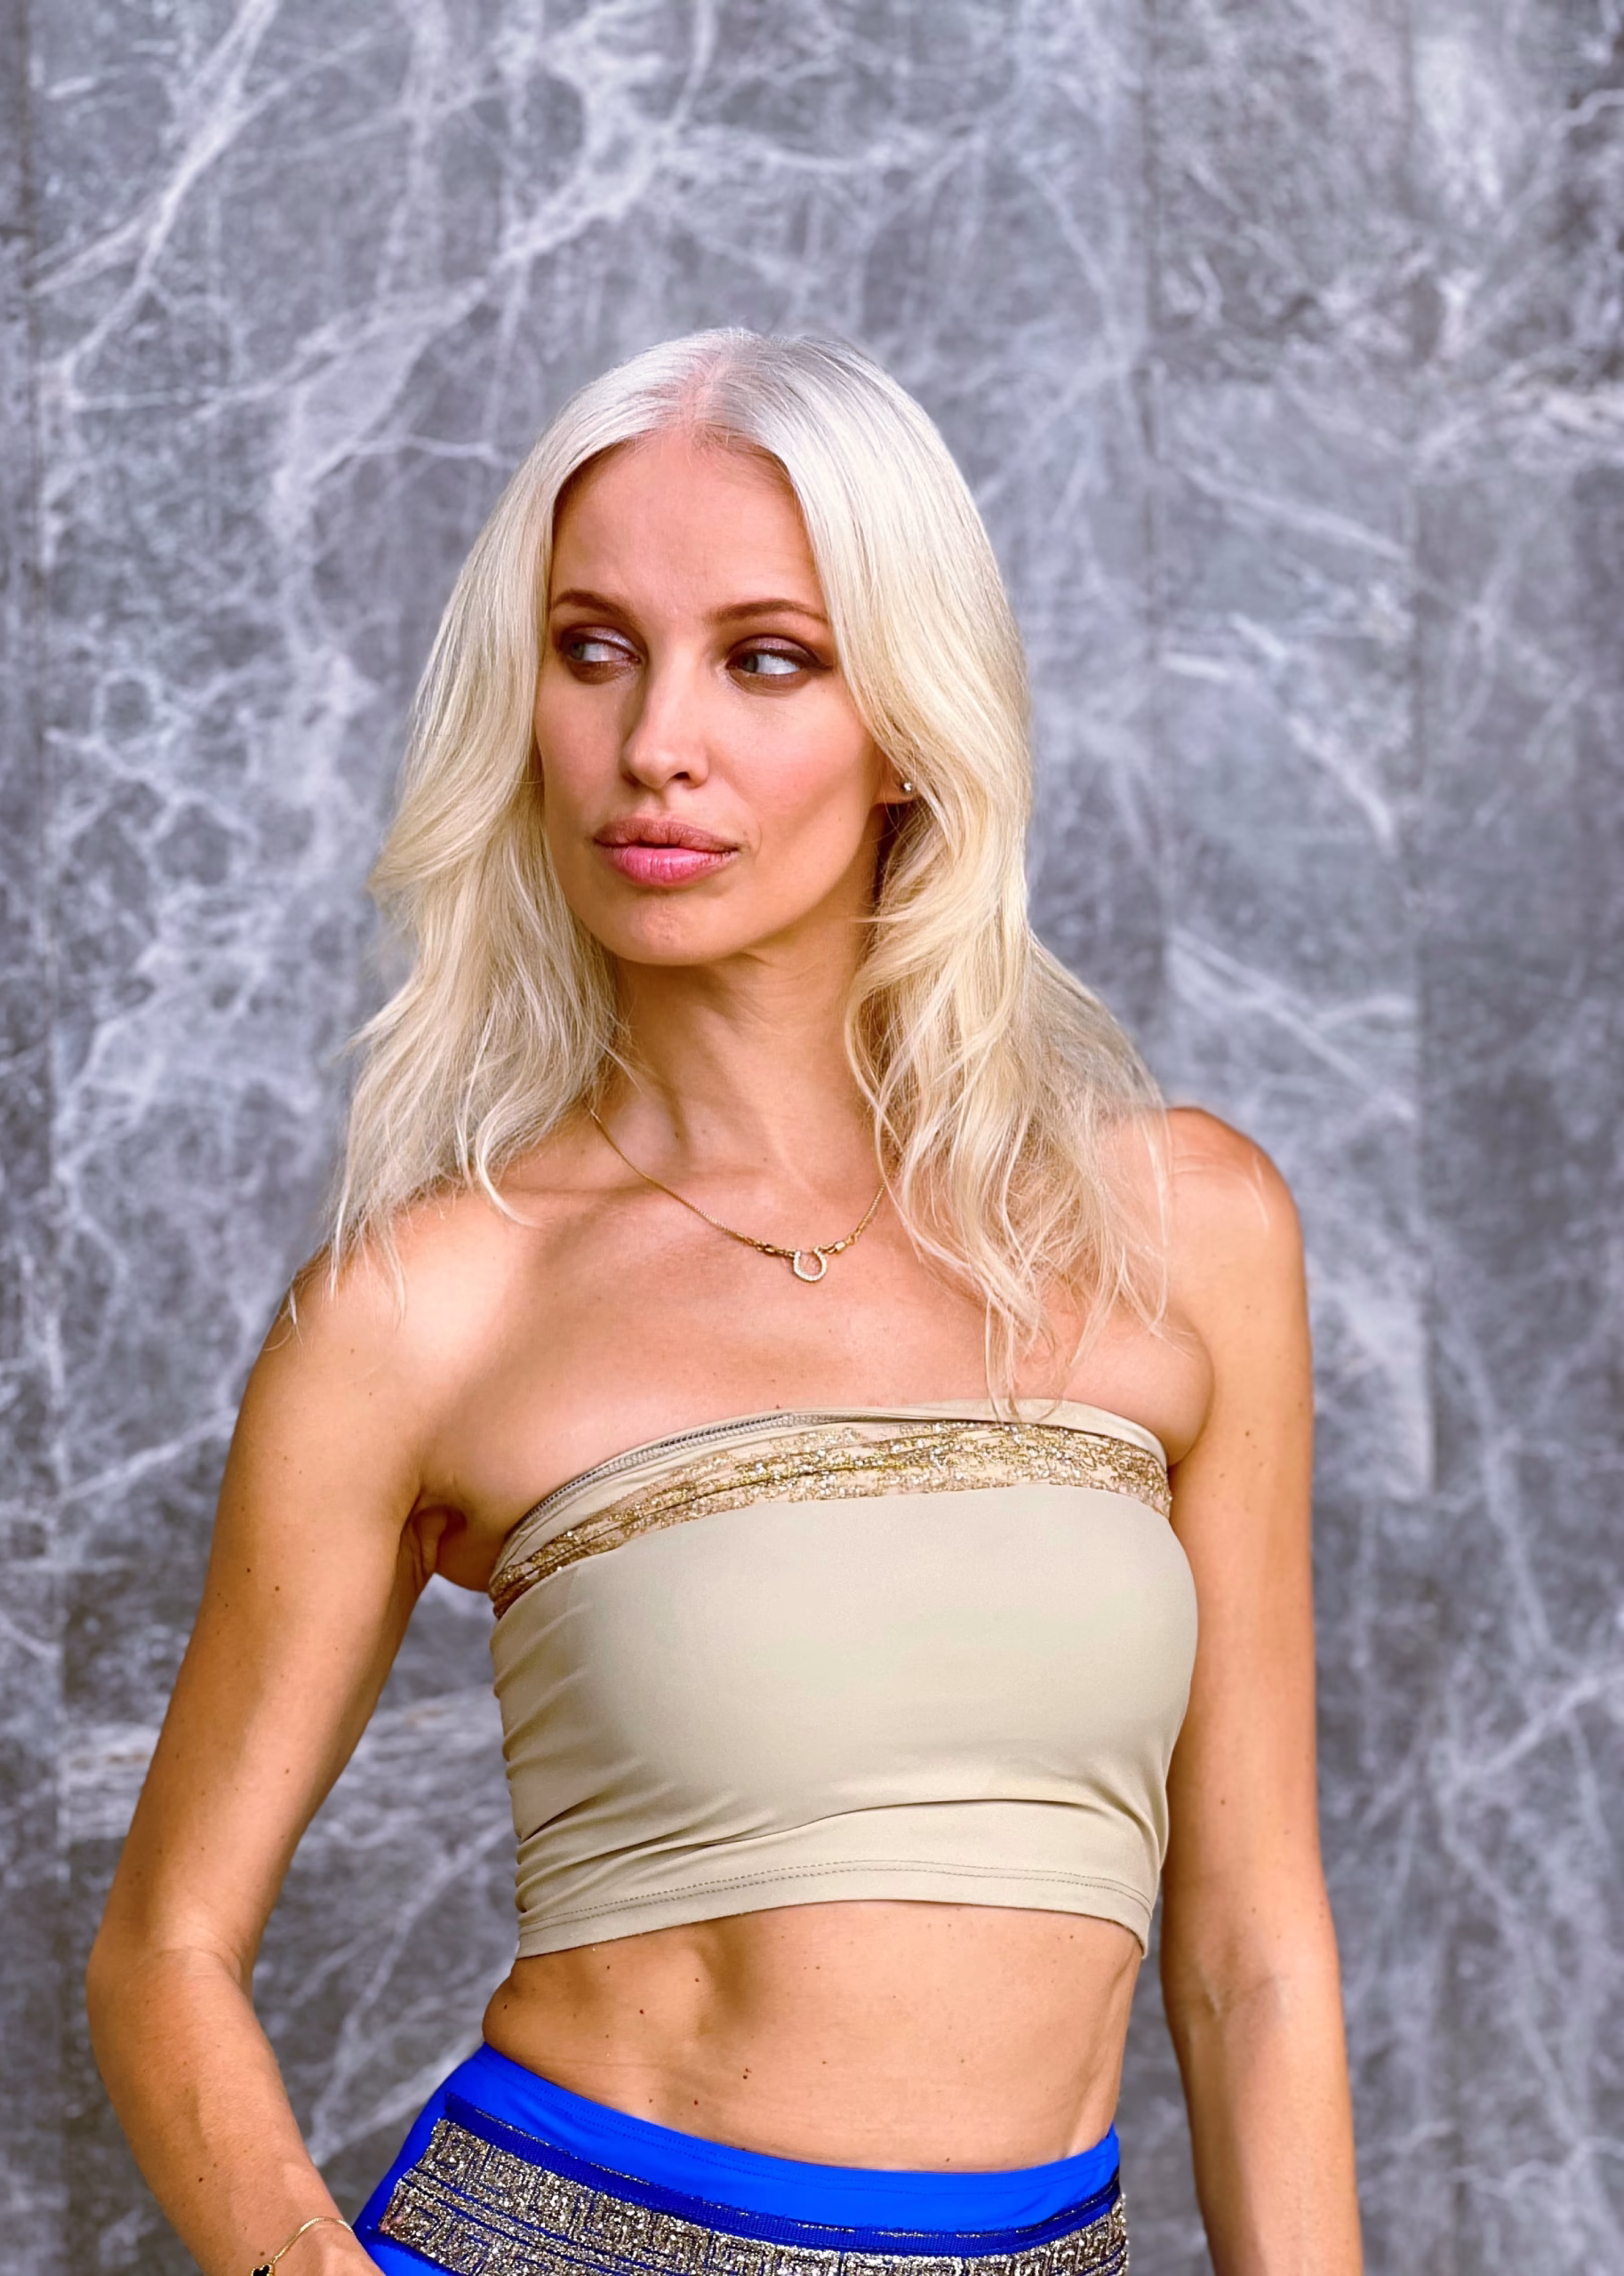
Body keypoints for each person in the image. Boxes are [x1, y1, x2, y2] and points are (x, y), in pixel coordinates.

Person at [87, 330, 1364, 2276]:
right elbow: (163, 1946)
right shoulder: (428, 1306)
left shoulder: (1181, 1229)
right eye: (593, 649)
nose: (654, 741)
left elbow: (1253, 1953)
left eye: (766, 658)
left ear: (909, 723)